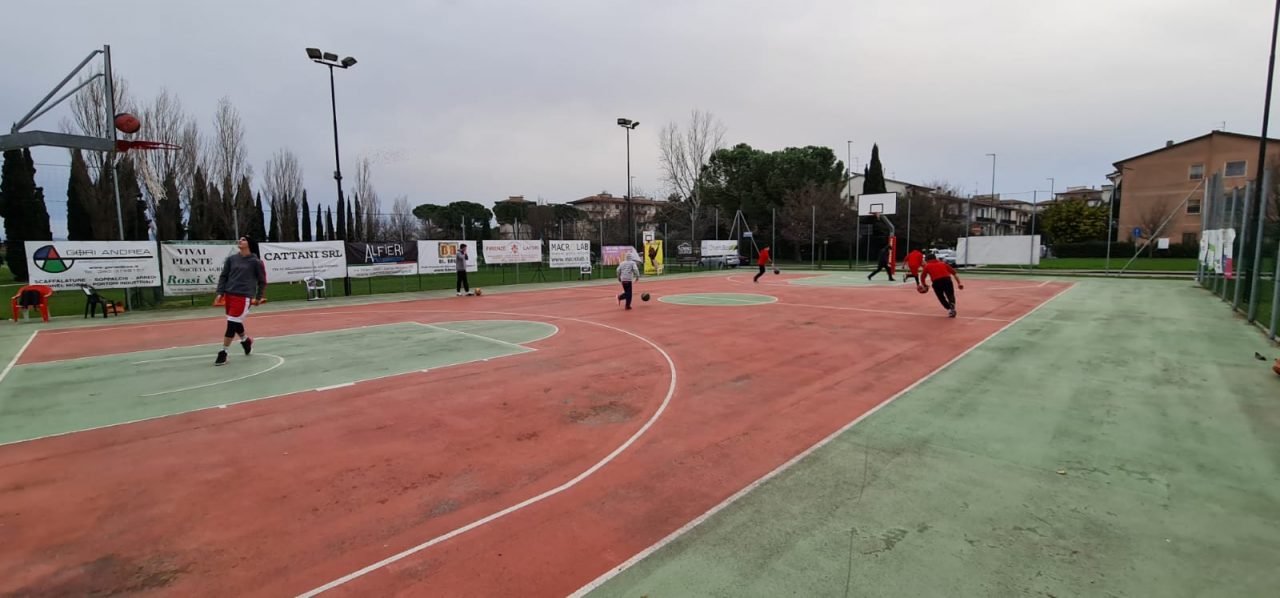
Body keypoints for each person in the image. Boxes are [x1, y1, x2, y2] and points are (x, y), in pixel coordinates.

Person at [214, 237, 267, 366]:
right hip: (229, 295)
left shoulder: (255, 262)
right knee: (235, 322)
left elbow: (262, 281)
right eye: (240, 239)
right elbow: (224, 276)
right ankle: (245, 341)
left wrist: (258, 297)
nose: (240, 240)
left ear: (249, 244)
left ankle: (223, 352)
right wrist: (220, 292)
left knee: (231, 324)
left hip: (243, 297)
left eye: (243, 239)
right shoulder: (231, 259)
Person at [918, 252, 964, 317]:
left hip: (937, 282)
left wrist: (924, 284)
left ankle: (949, 309)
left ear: (927, 260)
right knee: (950, 294)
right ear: (935, 258)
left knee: (941, 297)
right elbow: (954, 273)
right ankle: (952, 305)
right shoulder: (943, 264)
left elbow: (922, 277)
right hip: (947, 280)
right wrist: (959, 283)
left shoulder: (927, 266)